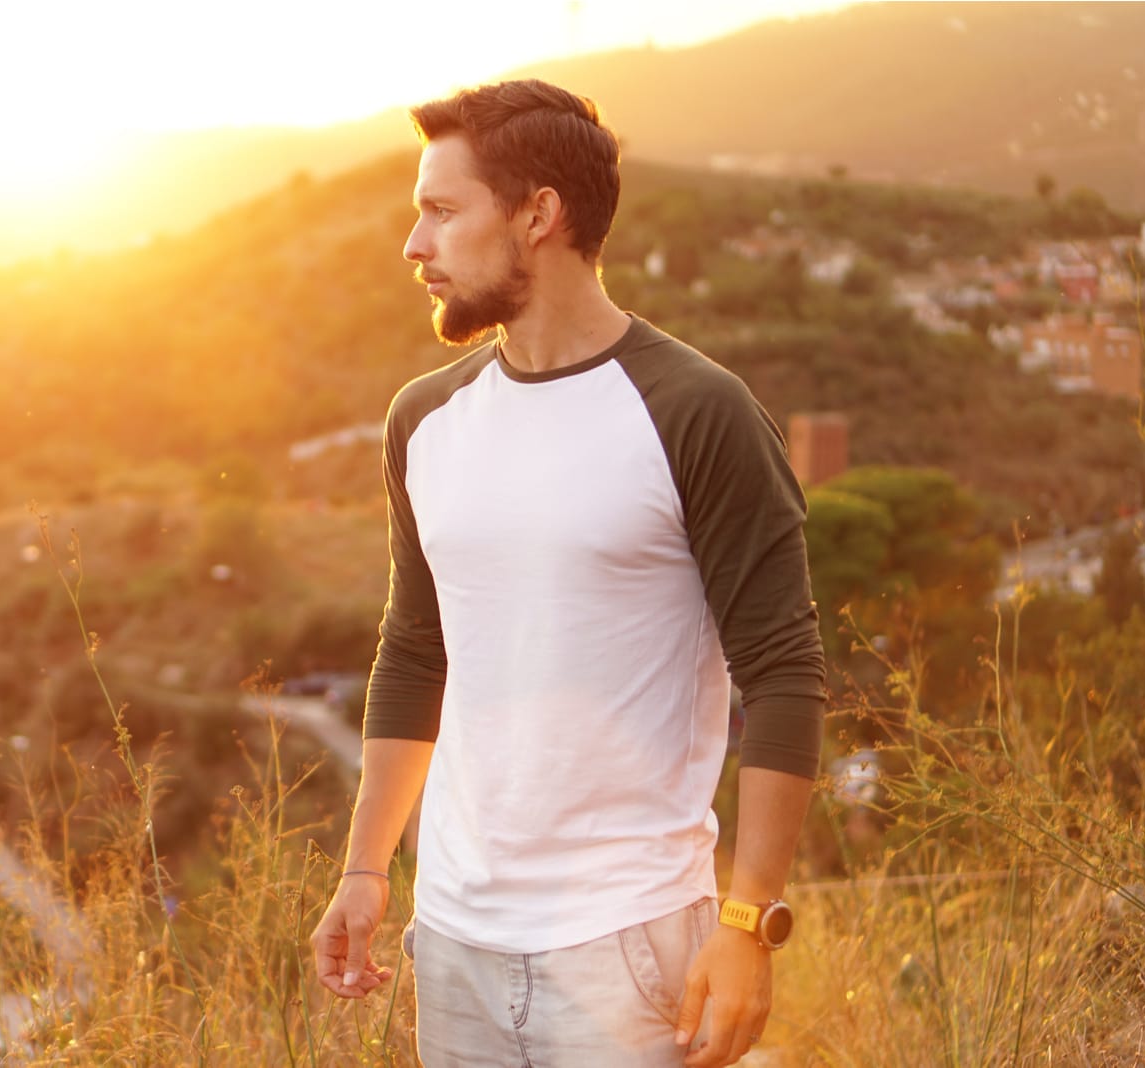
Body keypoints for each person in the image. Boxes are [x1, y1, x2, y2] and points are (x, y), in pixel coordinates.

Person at [308, 79, 827, 1068]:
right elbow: (416, 653)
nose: (413, 246)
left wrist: (747, 922)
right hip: (453, 938)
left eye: (442, 211)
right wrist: (367, 869)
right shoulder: (422, 420)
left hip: (626, 943)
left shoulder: (697, 411)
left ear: (538, 215)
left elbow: (785, 675)